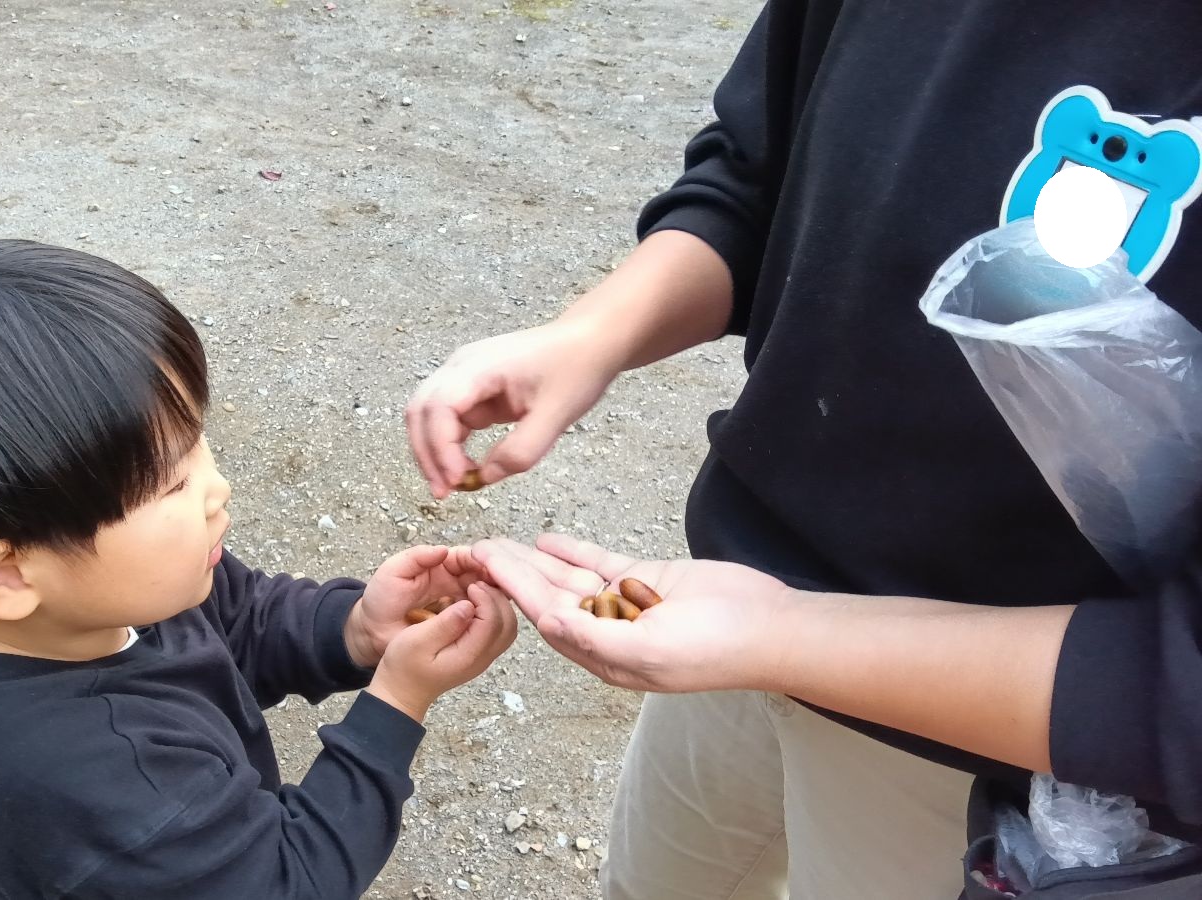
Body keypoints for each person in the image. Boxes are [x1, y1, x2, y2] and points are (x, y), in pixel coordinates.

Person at [406, 3, 1202, 898]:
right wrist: (591, 335)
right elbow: (756, 168)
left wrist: (780, 635)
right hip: (730, 611)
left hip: (990, 746)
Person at [0, 240, 519, 899]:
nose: (217, 487)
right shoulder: (104, 784)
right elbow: (290, 880)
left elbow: (241, 619)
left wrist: (357, 629)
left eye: (199, 443)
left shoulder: (95, 599)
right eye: (172, 482)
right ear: (7, 577)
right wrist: (396, 704)